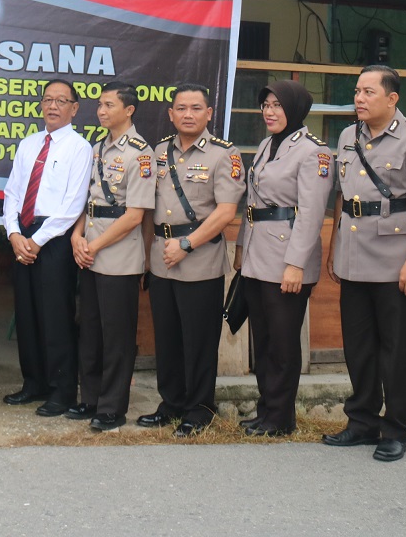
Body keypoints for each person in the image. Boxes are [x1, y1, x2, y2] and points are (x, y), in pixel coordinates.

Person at [322, 65, 406, 462]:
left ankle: (396, 428)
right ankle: (361, 422)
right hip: (354, 256)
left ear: (392, 99)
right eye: (357, 91)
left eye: (368, 92)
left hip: (396, 261)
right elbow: (343, 196)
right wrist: (335, 246)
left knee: (397, 349)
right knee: (359, 347)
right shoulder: (346, 136)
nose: (359, 98)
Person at [137, 82, 244, 437]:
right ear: (170, 114)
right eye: (181, 108)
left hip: (198, 258)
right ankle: (171, 404)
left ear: (209, 113)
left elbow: (226, 211)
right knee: (167, 338)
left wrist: (186, 244)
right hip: (161, 257)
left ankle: (199, 410)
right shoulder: (158, 151)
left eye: (196, 108)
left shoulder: (223, 154)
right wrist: (148, 255)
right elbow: (150, 208)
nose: (188, 114)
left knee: (198, 340)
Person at [233, 79, 331, 438]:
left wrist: (296, 264)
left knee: (283, 340)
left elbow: (310, 213)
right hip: (258, 253)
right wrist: (242, 249)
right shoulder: (264, 145)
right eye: (266, 105)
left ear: (296, 109)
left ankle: (280, 416)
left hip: (288, 256)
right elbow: (253, 204)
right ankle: (266, 409)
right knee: (263, 337)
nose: (269, 112)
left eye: (277, 105)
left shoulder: (312, 152)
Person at [2, 79, 93, 417]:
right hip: (23, 233)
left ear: (74, 108)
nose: (53, 106)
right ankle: (33, 382)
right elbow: (12, 193)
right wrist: (14, 234)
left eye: (61, 100)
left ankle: (62, 390)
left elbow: (73, 206)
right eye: (48, 99)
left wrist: (36, 242)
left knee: (56, 316)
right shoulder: (28, 144)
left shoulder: (79, 148)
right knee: (26, 313)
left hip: (53, 240)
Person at [68, 82, 155, 432]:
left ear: (129, 110)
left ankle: (111, 407)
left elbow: (135, 216)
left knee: (116, 333)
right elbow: (86, 201)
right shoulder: (96, 148)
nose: (101, 111)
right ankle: (88, 398)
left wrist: (94, 245)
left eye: (108, 105)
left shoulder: (140, 153)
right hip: (88, 248)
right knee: (89, 328)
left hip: (117, 253)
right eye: (99, 105)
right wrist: (77, 236)